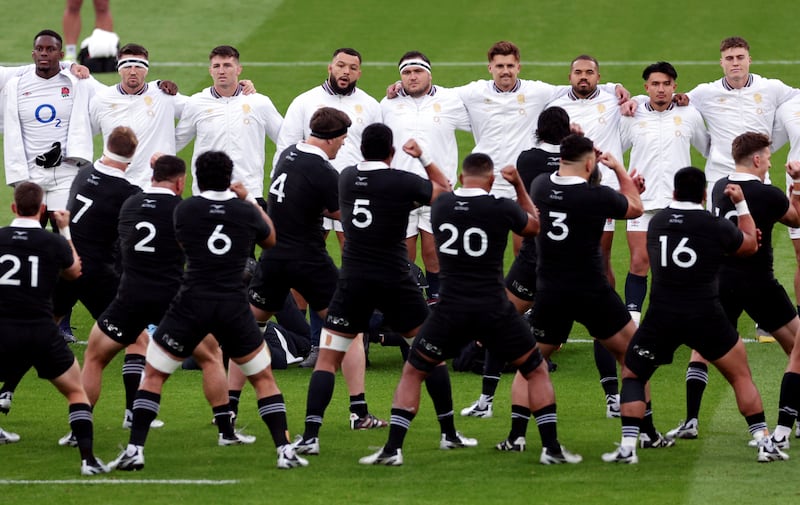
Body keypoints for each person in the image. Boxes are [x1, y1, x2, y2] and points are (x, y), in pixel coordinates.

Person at [360, 153, 581, 466]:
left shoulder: (441, 207)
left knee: (413, 372)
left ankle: (393, 449)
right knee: (535, 370)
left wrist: (424, 158)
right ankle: (551, 448)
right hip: (494, 307)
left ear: (461, 178)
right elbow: (535, 227)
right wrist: (519, 186)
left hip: (450, 309)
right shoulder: (501, 208)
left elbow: (439, 186)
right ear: (491, 180)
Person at [109, 151, 307, 471]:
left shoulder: (186, 209)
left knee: (155, 373)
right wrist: (250, 203)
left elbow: (181, 244)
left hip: (191, 303)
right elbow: (271, 239)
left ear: (195, 179)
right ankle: (284, 450)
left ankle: (135, 449)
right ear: (229, 178)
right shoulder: (244, 211)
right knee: (263, 378)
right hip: (232, 306)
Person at [293, 124, 478, 456]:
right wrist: (423, 157)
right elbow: (444, 191)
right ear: (391, 152)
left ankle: (309, 436)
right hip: (396, 281)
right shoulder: (401, 181)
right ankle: (449, 433)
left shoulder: (347, 176)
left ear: (362, 150)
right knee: (430, 355)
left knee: (327, 359)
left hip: (353, 281)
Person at [602, 166, 788, 464]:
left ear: (674, 192)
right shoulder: (714, 225)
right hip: (705, 315)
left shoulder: (658, 222)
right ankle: (763, 442)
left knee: (634, 374)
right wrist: (741, 204)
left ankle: (628, 447)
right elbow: (751, 244)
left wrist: (634, 189)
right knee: (740, 375)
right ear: (704, 194)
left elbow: (637, 215)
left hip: (661, 316)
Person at [75, 154, 249, 445]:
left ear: (152, 175)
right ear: (180, 183)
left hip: (129, 295)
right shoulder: (184, 210)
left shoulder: (130, 203)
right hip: (172, 297)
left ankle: (77, 430)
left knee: (94, 357)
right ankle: (226, 432)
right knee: (210, 356)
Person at [520, 134, 672, 450]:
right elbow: (635, 207)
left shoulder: (540, 187)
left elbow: (579, 192)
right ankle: (646, 433)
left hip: (550, 290)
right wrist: (619, 169)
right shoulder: (597, 196)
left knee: (531, 366)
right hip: (592, 290)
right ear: (590, 163)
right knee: (633, 357)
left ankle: (516, 436)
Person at [666, 133, 800, 441]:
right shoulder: (769, 194)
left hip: (719, 281)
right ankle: (793, 420)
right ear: (756, 159)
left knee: (701, 350)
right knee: (796, 349)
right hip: (758, 283)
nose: (769, 162)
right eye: (767, 157)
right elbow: (796, 219)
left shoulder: (719, 187)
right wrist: (797, 184)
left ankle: (690, 420)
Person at [461, 106, 569, 422]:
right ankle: (614, 399)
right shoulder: (578, 162)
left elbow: (528, 201)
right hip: (571, 264)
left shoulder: (527, 159)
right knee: (611, 338)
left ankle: (485, 400)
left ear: (538, 129)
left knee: (500, 321)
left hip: (535, 256)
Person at [0, 182, 108, 475]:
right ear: (42, 210)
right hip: (40, 330)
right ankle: (88, 461)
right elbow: (75, 271)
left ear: (13, 208)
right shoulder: (54, 243)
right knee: (76, 392)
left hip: (3, 328)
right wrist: (65, 231)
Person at [48, 126, 141, 447]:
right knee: (136, 339)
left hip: (64, 260)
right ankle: (132, 411)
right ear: (132, 154)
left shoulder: (85, 172)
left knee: (38, 331)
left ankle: (6, 393)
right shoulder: (127, 191)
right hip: (96, 272)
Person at [619, 62, 710, 327]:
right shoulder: (631, 116)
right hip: (642, 202)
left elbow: (707, 150)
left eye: (666, 84)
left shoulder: (690, 115)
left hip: (678, 203)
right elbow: (615, 148)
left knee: (679, 262)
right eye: (655, 84)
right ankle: (633, 322)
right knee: (640, 261)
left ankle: (678, 317)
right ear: (646, 87)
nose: (661, 89)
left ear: (675, 87)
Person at [380, 50, 471, 304]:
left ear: (429, 74)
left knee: (435, 254)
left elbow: (482, 122)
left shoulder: (450, 100)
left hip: (438, 192)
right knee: (404, 256)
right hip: (400, 193)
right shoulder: (388, 104)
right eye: (406, 73)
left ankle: (438, 306)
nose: (412, 77)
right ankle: (407, 308)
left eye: (418, 71)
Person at [3, 30, 94, 219]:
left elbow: (111, 98)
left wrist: (156, 87)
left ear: (60, 55)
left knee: (65, 231)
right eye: (39, 49)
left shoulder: (77, 81)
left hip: (66, 173)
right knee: (31, 233)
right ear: (33, 54)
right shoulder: (15, 82)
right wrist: (70, 64)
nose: (44, 53)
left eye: (50, 49)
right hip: (29, 173)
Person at [175, 45, 282, 202]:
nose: (221, 71)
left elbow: (285, 137)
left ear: (239, 69)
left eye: (227, 65)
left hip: (248, 191)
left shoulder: (259, 103)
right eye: (216, 66)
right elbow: (176, 141)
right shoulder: (196, 103)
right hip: (206, 191)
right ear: (210, 70)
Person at [90, 43, 186, 189]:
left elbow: (197, 111)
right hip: (116, 184)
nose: (133, 72)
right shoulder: (102, 99)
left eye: (139, 66)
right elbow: (84, 134)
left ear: (146, 70)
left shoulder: (164, 95)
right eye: (127, 66)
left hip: (154, 184)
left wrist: (171, 145)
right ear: (119, 69)